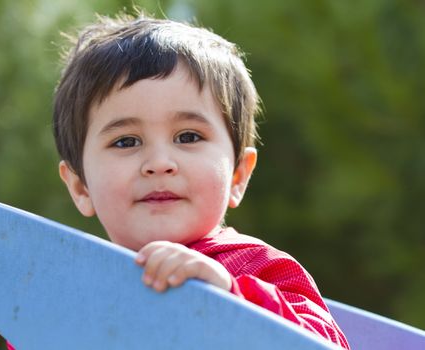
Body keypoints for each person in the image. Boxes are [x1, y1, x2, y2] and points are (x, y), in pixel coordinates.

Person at [53, 13, 350, 349]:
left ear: (238, 175)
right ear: (80, 187)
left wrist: (231, 301)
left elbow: (326, 344)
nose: (160, 163)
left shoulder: (260, 268)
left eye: (188, 136)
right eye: (126, 141)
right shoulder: (71, 294)